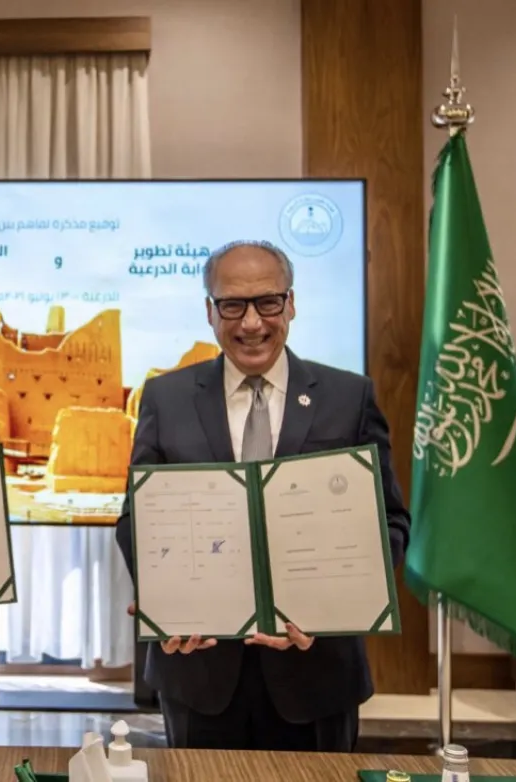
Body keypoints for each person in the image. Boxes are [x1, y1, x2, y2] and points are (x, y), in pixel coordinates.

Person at [115, 240, 411, 752]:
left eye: (267, 302)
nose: (251, 323)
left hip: (317, 672)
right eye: (232, 305)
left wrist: (337, 605)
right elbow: (136, 520)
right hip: (198, 671)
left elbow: (391, 522)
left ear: (290, 304)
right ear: (210, 312)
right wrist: (166, 599)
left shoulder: (348, 397)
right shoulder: (166, 398)